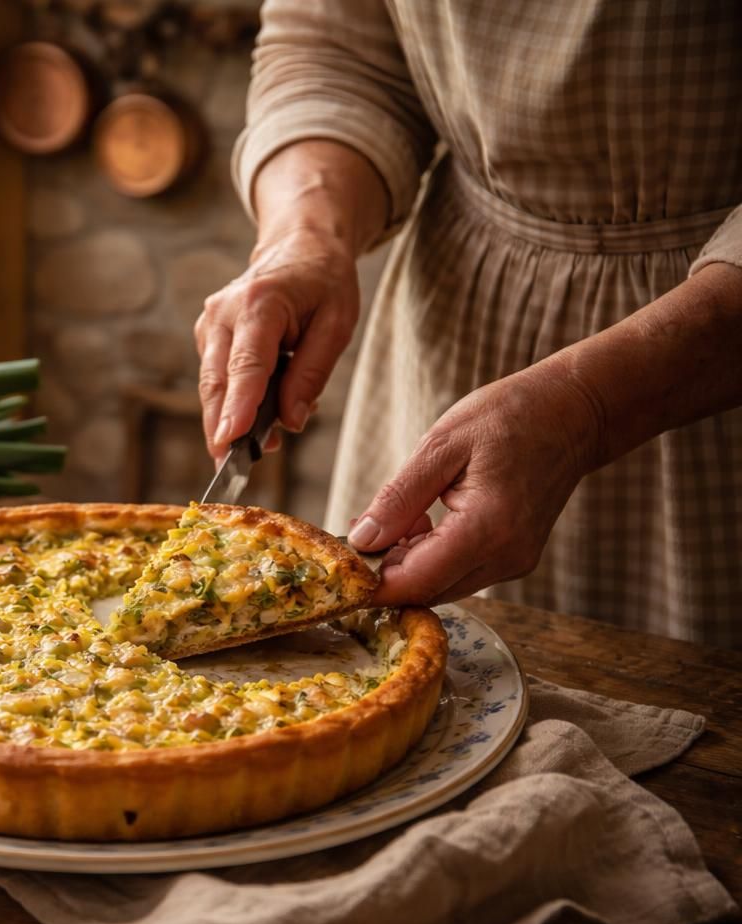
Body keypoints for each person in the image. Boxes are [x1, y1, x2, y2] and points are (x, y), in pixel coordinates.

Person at [197, 0, 742, 648]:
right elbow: (337, 52)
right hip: (451, 324)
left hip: (708, 354)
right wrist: (305, 235)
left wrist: (590, 406)